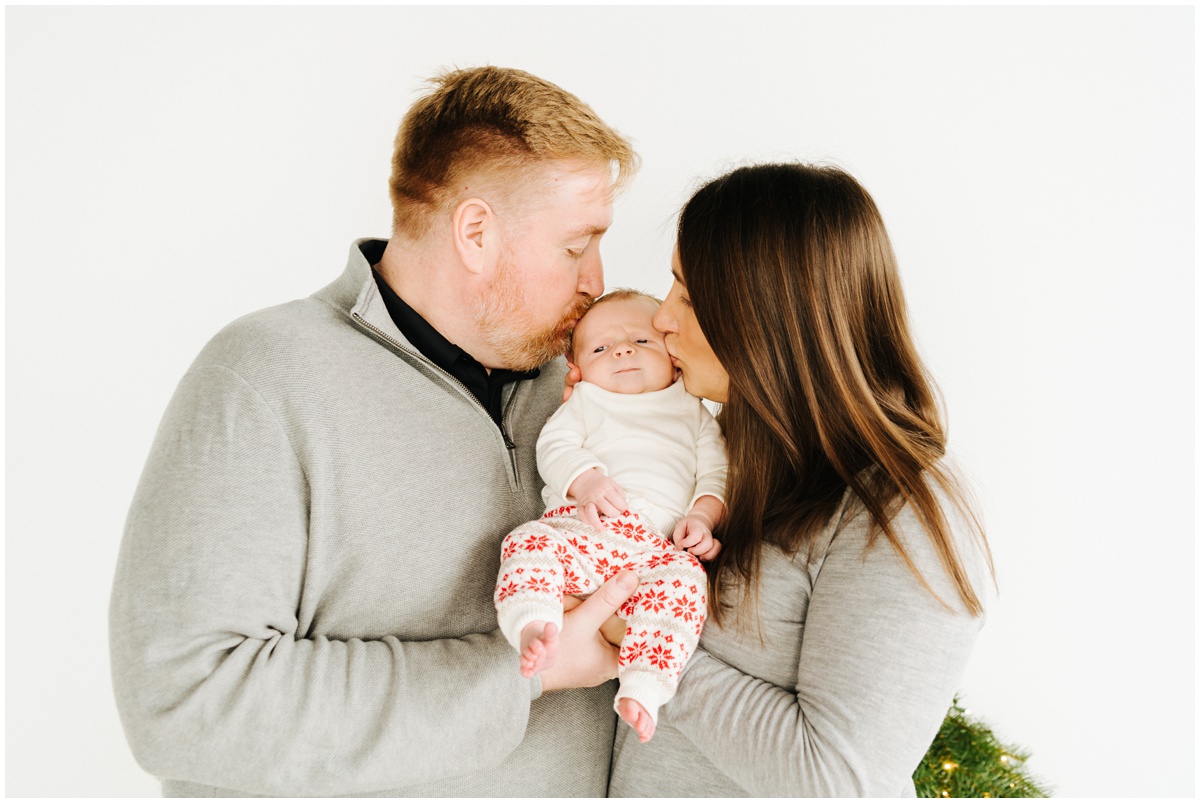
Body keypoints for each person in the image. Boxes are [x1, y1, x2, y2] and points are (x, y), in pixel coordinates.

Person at [108, 66, 642, 797]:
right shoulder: (261, 379)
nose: (597, 281)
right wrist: (524, 672)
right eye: (576, 246)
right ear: (476, 232)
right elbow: (185, 701)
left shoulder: (582, 388)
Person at [606, 162, 997, 797]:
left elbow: (836, 779)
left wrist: (637, 635)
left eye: (687, 293)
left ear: (767, 314)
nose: (661, 321)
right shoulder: (718, 456)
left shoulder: (901, 509)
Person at [494, 290, 726, 745]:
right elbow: (555, 447)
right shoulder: (585, 402)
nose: (622, 350)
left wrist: (702, 517)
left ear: (674, 360)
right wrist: (586, 481)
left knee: (687, 583)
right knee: (529, 541)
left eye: (642, 340)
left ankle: (645, 686)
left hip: (655, 548)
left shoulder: (694, 412)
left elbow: (717, 474)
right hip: (586, 529)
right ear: (576, 368)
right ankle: (533, 621)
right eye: (600, 349)